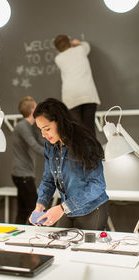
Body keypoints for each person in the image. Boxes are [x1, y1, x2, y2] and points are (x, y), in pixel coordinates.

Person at [29, 98, 108, 230]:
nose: (43, 134)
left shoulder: (85, 142)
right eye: (40, 130)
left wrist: (62, 208)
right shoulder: (50, 145)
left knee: (85, 249)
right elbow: (49, 179)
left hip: (92, 208)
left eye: (47, 128)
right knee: (58, 245)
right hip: (67, 208)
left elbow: (97, 185)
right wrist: (40, 205)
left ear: (59, 122)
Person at [54, 34, 100, 136]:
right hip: (88, 94)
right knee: (90, 129)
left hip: (71, 98)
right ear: (69, 42)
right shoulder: (80, 50)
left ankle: (82, 152)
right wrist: (77, 43)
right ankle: (95, 152)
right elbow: (87, 46)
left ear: (57, 48)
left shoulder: (58, 59)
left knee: (78, 132)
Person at [11, 96, 44, 224]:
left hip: (23, 174)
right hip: (23, 174)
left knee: (23, 210)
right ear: (32, 110)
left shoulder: (29, 126)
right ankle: (36, 235)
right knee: (35, 209)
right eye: (36, 107)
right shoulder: (22, 126)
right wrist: (52, 155)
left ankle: (17, 234)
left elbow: (40, 141)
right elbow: (34, 145)